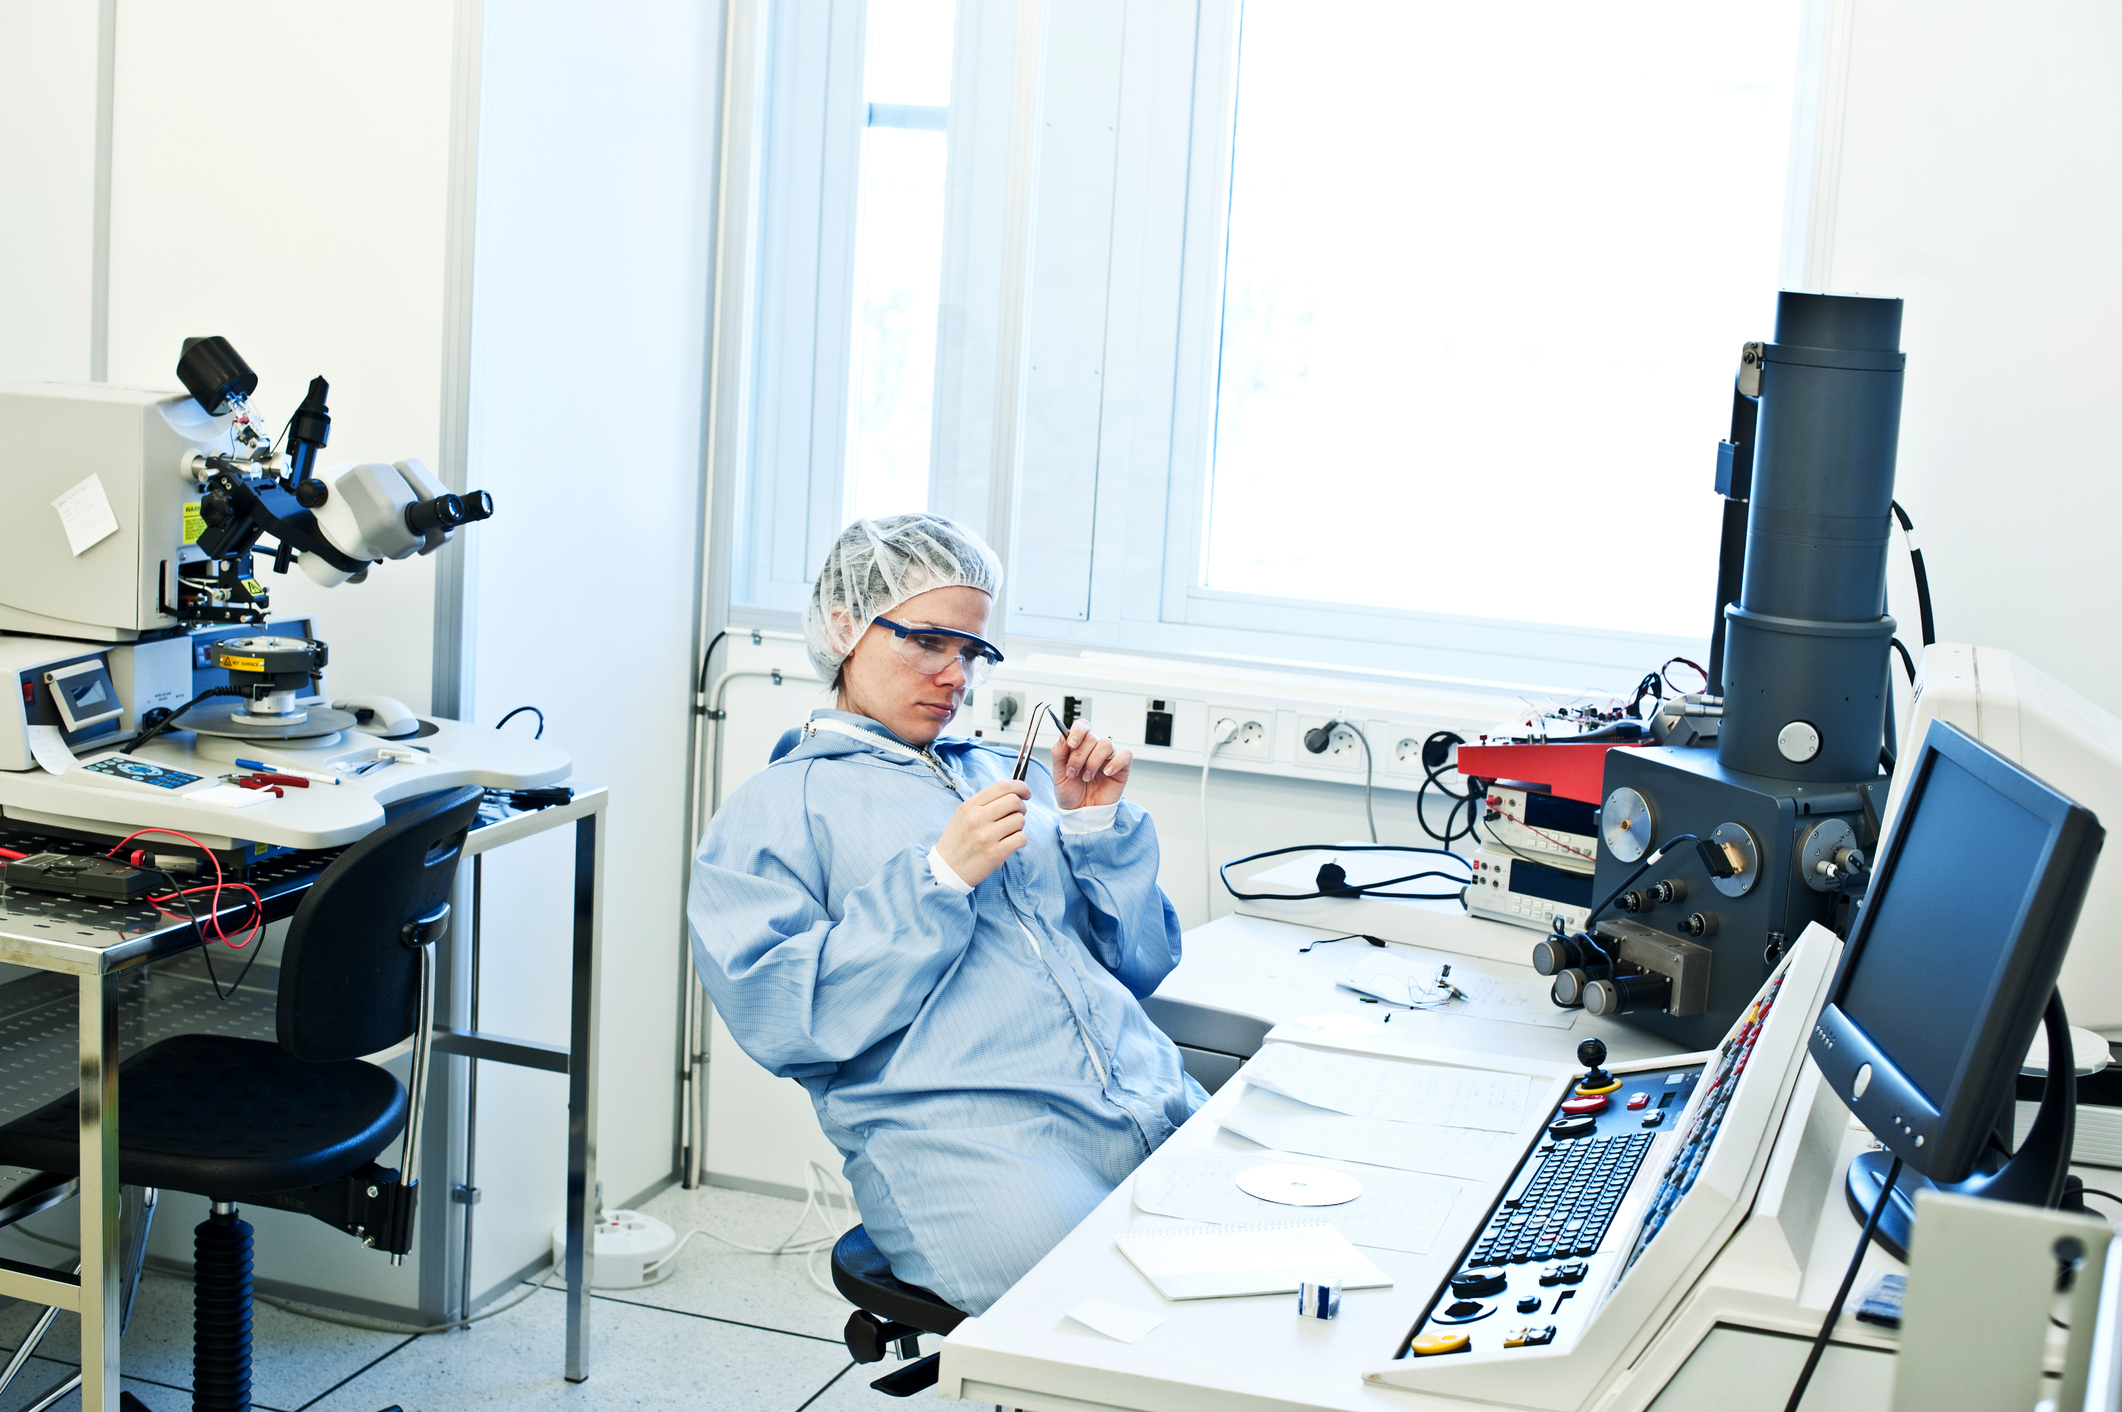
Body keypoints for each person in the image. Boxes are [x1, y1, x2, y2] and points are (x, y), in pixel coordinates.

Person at [687, 513, 1204, 1315]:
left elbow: (1135, 966)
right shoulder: (776, 810)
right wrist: (937, 880)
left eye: (972, 652)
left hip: (1147, 1103)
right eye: (928, 642)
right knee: (1108, 1331)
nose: (955, 676)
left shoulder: (1005, 778)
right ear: (844, 624)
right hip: (979, 1159)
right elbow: (781, 1018)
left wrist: (1093, 826)